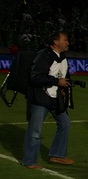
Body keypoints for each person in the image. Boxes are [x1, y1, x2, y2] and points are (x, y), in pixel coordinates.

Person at [22, 31, 75, 169]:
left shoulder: (63, 57)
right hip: (40, 98)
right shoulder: (44, 55)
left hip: (55, 98)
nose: (67, 43)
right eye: (65, 40)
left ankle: (57, 155)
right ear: (55, 42)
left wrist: (63, 88)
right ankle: (29, 161)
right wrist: (57, 81)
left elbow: (63, 75)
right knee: (35, 130)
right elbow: (35, 77)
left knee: (65, 124)